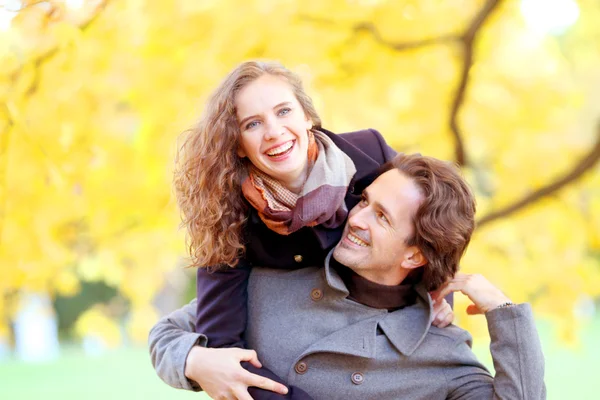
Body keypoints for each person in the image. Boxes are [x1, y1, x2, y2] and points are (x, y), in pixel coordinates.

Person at [150, 153, 546, 399]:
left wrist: (503, 311)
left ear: (415, 254)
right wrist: (196, 361)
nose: (356, 218)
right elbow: (167, 334)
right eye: (366, 202)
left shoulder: (438, 353)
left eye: (382, 217)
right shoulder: (277, 281)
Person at [167, 60, 454, 399]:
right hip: (304, 339)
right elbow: (225, 352)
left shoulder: (369, 153)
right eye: (253, 123)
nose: (274, 132)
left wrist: (438, 291)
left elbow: (438, 215)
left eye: (284, 111)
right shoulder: (228, 220)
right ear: (237, 144)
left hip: (384, 337)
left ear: (307, 116)